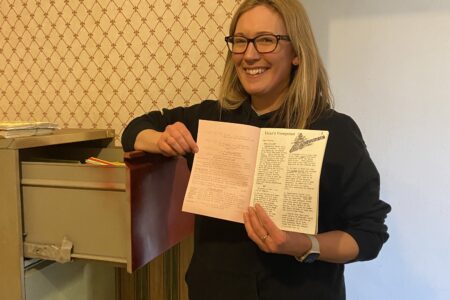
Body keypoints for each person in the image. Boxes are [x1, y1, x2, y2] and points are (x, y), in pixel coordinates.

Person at [121, 0, 391, 299]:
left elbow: (369, 235)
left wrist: (302, 245)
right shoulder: (211, 118)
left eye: (266, 40)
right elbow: (135, 129)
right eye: (240, 41)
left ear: (297, 53)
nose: (249, 54)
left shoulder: (334, 131)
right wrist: (160, 140)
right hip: (212, 290)